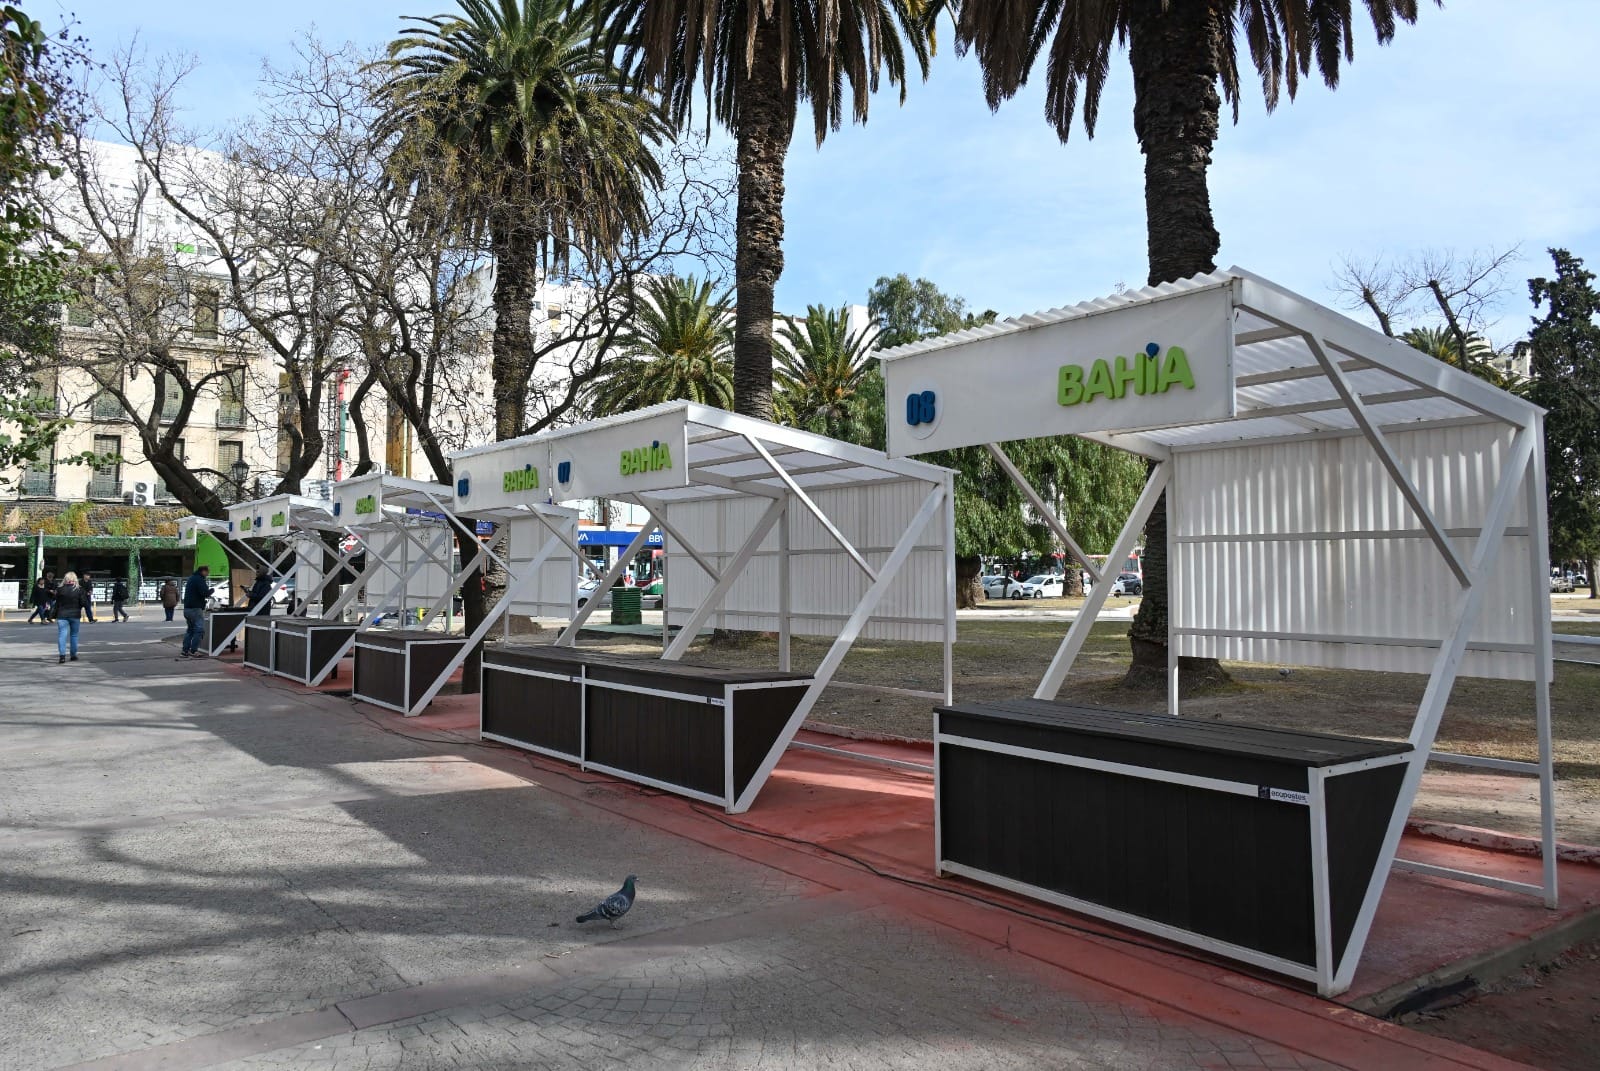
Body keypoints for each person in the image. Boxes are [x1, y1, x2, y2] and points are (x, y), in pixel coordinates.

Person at [52, 571, 87, 663]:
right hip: (75, 615)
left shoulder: (60, 589)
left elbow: (56, 602)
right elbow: (83, 603)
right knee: (74, 635)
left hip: (62, 615)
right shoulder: (79, 589)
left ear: (65, 579)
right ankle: (73, 655)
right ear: (75, 579)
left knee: (62, 635)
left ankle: (62, 656)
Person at [180, 564, 210, 658]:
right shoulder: (199, 579)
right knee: (199, 630)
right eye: (207, 572)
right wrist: (211, 590)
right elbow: (204, 592)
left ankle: (185, 651)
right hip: (195, 609)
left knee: (190, 630)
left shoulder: (192, 578)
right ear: (203, 571)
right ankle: (194, 650)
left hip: (187, 608)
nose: (208, 574)